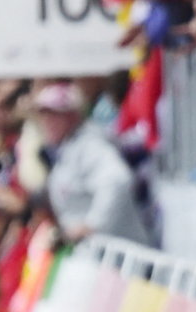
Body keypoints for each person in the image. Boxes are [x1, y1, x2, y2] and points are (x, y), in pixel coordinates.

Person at [36, 83, 154, 247]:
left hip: (115, 255)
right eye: (44, 116)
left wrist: (92, 225)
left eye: (56, 115)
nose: (48, 122)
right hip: (95, 253)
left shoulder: (89, 144)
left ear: (73, 116)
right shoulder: (67, 147)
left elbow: (117, 180)